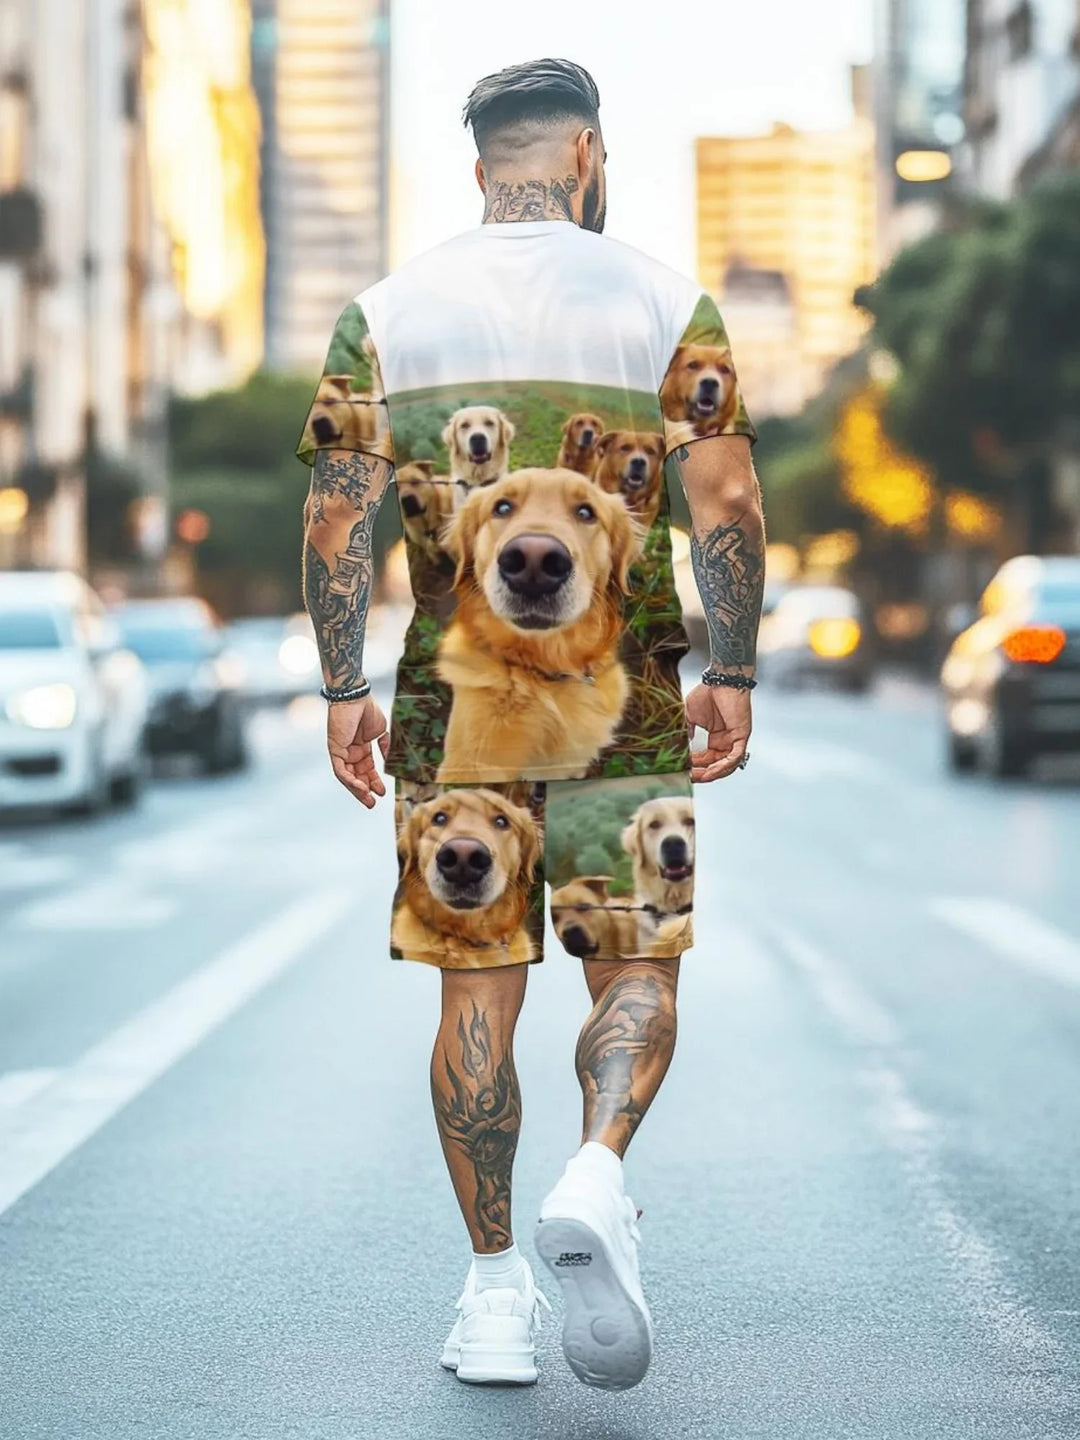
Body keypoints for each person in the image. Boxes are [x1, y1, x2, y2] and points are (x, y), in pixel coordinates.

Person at [297, 58, 764, 1392]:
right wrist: (731, 665)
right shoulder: (671, 300)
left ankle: (495, 1294)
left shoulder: (382, 314)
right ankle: (598, 1172)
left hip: (452, 717)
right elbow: (723, 498)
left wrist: (345, 691)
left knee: (475, 996)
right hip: (634, 706)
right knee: (634, 975)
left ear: (483, 165)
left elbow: (336, 515)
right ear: (589, 156)